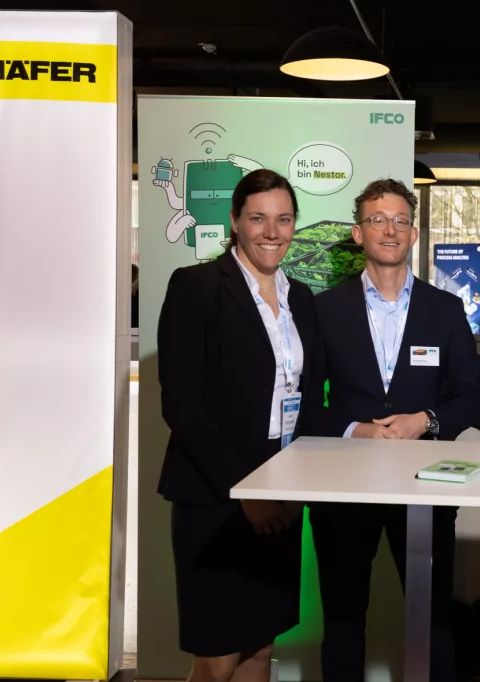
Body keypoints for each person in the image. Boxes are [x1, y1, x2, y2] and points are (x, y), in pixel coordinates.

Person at [304, 178, 480, 682]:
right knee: (343, 618)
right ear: (358, 233)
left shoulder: (445, 309)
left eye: (400, 220)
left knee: (434, 618)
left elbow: (471, 396)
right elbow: (305, 404)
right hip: (343, 487)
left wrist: (424, 421)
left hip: (426, 484)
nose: (390, 229)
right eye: (377, 220)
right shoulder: (324, 309)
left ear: (414, 233)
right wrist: (354, 429)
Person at [157, 169, 317, 682]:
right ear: (234, 221)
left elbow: (307, 399)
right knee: (217, 657)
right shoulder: (197, 287)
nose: (272, 232)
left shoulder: (301, 298)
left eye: (283, 219)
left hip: (281, 490)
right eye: (257, 218)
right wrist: (245, 490)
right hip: (216, 496)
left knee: (260, 647)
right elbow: (182, 404)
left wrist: (292, 488)